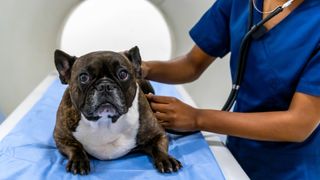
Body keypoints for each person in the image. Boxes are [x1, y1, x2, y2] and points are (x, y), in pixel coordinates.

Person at [141, 0, 320, 179]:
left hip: (292, 167)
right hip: (238, 151)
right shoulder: (241, 3)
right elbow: (191, 64)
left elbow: (299, 124)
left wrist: (197, 118)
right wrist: (144, 68)